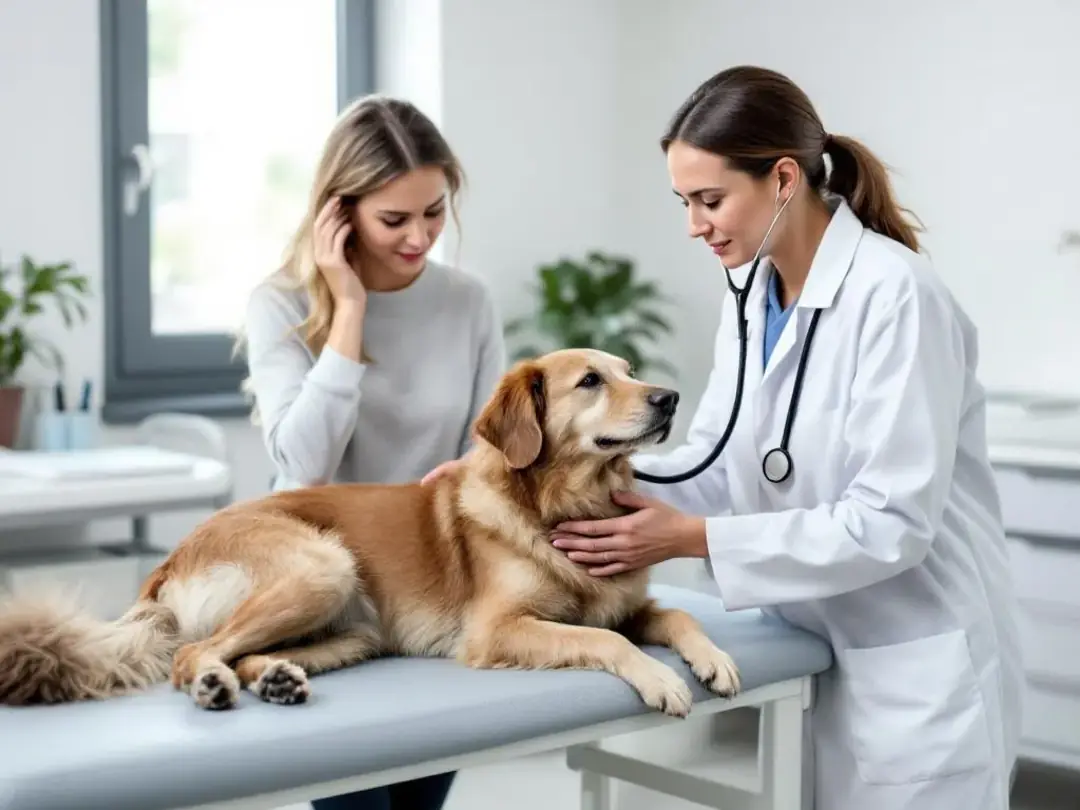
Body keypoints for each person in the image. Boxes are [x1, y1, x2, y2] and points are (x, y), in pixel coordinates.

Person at [423, 65, 1022, 810]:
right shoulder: (751, 293)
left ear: (781, 179)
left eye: (710, 200)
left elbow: (891, 524)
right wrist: (522, 475)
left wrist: (694, 539)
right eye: (684, 202)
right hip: (813, 644)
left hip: (912, 658)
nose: (694, 225)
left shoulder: (898, 297)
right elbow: (717, 460)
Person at [239, 94, 505, 810]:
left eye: (435, 211)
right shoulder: (282, 303)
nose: (420, 237)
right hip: (323, 591)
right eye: (394, 219)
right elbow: (304, 465)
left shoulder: (467, 302)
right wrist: (348, 311)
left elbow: (488, 454)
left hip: (433, 597)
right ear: (339, 212)